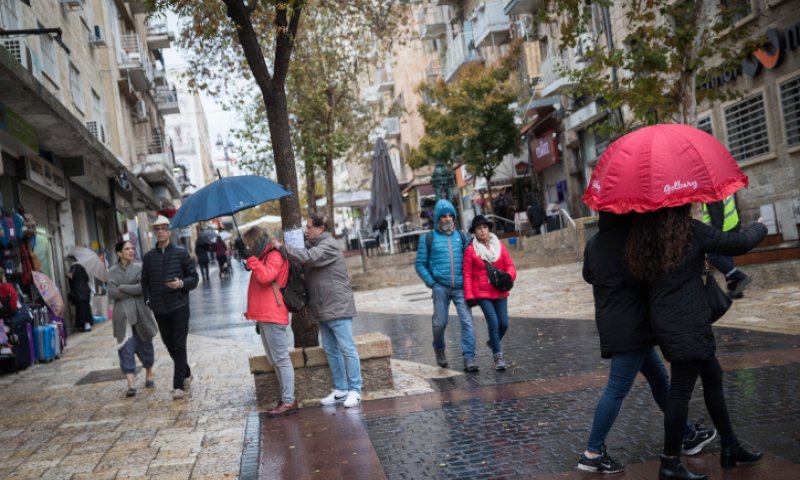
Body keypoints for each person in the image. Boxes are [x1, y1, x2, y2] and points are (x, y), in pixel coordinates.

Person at [624, 204, 767, 480]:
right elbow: (739, 243)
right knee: (680, 391)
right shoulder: (688, 230)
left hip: (666, 320)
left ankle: (730, 445)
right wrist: (760, 226)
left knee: (713, 374)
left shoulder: (641, 237)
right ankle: (669, 462)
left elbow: (634, 277)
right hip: (688, 322)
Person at [577, 212, 716, 475]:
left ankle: (687, 434)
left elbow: (589, 275)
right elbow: (644, 276)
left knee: (659, 380)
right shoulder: (632, 240)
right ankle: (592, 452)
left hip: (613, 321)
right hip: (632, 326)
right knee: (616, 388)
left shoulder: (594, 243)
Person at [271, 212, 362, 408]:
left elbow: (308, 257)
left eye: (309, 227)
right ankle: (340, 389)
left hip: (337, 306)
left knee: (347, 348)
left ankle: (355, 389)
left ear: (320, 228)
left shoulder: (328, 245)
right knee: (331, 349)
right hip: (323, 307)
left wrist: (283, 247)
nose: (306, 230)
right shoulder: (316, 244)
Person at [415, 199, 478, 372]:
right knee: (439, 323)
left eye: (450, 215)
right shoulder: (427, 238)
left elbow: (470, 261)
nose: (448, 219)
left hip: (460, 287)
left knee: (467, 322)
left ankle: (469, 358)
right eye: (443, 216)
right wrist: (432, 283)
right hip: (440, 287)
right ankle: (439, 348)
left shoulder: (463, 237)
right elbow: (420, 264)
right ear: (437, 218)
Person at [141, 215, 199, 400]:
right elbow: (145, 283)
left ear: (169, 231)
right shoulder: (149, 257)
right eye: (157, 229)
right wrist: (148, 301)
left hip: (179, 305)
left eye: (163, 228)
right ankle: (186, 371)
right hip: (159, 308)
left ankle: (178, 385)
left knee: (179, 344)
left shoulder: (181, 253)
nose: (160, 232)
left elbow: (194, 278)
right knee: (169, 344)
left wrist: (181, 283)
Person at [240, 226, 296, 417]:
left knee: (281, 359)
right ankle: (286, 397)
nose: (249, 248)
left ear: (257, 241)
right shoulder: (264, 255)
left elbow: (266, 277)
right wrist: (251, 260)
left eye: (249, 245)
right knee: (274, 360)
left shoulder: (274, 255)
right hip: (265, 314)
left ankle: (289, 401)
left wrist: (251, 259)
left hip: (273, 313)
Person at [462, 215, 516, 371]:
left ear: (488, 229)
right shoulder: (471, 251)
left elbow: (510, 265)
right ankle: (498, 356)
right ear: (475, 232)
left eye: (485, 227)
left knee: (504, 323)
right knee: (493, 322)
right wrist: (470, 296)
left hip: (499, 289)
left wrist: (509, 276)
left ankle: (494, 342)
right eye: (479, 228)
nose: (483, 231)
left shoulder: (498, 246)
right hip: (482, 292)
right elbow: (467, 274)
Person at [108, 240, 158, 398]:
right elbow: (112, 293)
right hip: (122, 317)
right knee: (126, 350)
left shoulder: (140, 268)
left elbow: (142, 288)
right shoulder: (111, 272)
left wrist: (122, 287)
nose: (131, 251)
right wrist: (131, 288)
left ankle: (149, 373)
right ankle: (131, 384)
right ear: (119, 253)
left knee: (145, 346)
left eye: (132, 248)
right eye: (127, 248)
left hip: (140, 313)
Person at [703, 195, 752, 298]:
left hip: (723, 228)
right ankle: (735, 289)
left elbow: (717, 214)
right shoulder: (719, 183)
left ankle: (740, 277)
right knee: (726, 256)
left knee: (713, 255)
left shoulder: (710, 190)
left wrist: (716, 235)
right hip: (731, 224)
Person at [66, 255, 92, 332]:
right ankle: (87, 325)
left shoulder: (74, 266)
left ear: (71, 260)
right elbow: (87, 279)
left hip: (79, 292)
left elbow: (71, 276)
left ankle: (85, 326)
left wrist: (66, 274)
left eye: (68, 261)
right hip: (86, 291)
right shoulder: (82, 267)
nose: (68, 263)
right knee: (86, 308)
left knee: (81, 309)